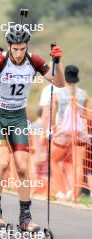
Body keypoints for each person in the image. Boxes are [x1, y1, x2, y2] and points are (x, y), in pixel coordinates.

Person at [0, 24, 65, 232]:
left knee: (23, 167)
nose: (19, 53)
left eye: (22, 48)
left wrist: (57, 63)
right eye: (15, 48)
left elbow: (59, 84)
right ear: (9, 46)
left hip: (18, 118)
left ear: (26, 46)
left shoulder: (35, 61)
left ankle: (25, 218)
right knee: (3, 162)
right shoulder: (1, 59)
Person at [51, 65, 92, 200]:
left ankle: (61, 191)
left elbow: (53, 116)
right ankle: (75, 195)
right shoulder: (84, 95)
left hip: (64, 133)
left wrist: (53, 128)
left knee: (53, 160)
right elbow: (88, 116)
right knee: (78, 164)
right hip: (80, 133)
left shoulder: (58, 94)